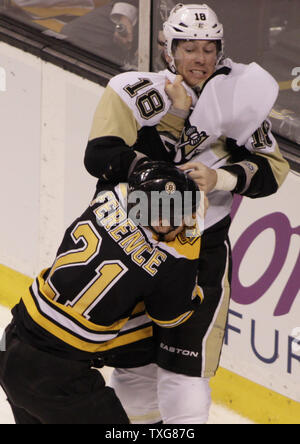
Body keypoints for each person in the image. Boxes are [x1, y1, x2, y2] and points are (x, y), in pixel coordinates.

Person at [84, 3, 290, 424]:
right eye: (190, 48)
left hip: (202, 248)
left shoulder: (239, 94)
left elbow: (274, 170)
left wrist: (221, 180)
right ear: (168, 50)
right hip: (135, 243)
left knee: (184, 367)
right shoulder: (136, 90)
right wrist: (173, 128)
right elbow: (100, 155)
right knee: (133, 362)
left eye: (209, 48)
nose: (200, 58)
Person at [0, 161, 204, 424]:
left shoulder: (109, 195)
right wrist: (192, 240)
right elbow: (170, 317)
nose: (187, 223)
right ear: (163, 222)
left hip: (10, 341)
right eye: (184, 218)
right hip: (54, 375)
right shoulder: (167, 256)